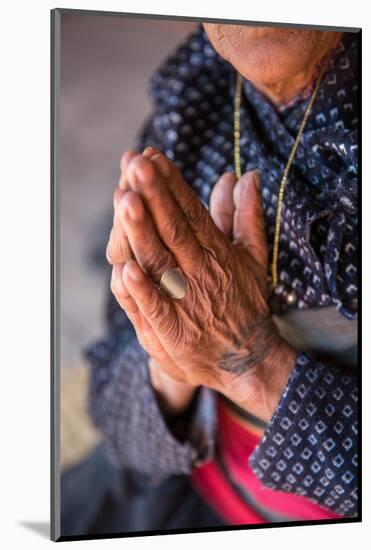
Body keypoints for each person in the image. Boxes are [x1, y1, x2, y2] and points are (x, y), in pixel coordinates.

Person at [61, 23, 358, 536]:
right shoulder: (193, 102)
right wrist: (178, 352)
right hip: (193, 490)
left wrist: (253, 363)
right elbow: (113, 402)